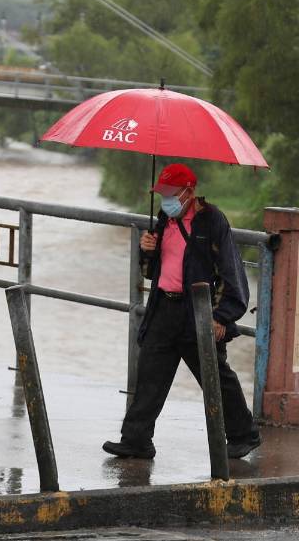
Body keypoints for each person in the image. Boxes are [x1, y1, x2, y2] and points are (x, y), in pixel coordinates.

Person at [102, 162, 262, 460]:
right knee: (150, 374)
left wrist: (221, 317)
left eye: (170, 193)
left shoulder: (213, 221)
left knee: (215, 375)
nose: (165, 199)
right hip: (163, 307)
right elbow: (153, 271)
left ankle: (244, 434)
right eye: (161, 193)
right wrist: (147, 249)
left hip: (197, 312)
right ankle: (136, 440)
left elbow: (232, 274)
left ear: (189, 191)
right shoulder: (164, 218)